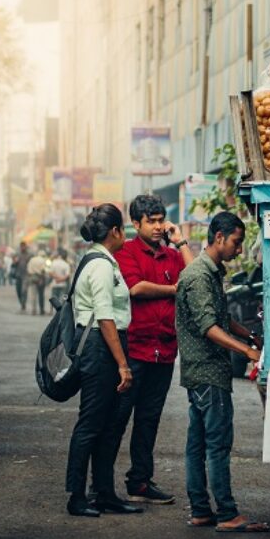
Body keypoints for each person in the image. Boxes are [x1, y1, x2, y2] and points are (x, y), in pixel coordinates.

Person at [175, 211, 268, 532]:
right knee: (216, 445)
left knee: (198, 444)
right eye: (236, 242)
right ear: (218, 238)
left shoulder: (210, 272)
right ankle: (227, 514)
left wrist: (249, 335)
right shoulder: (199, 276)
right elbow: (209, 327)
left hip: (202, 371)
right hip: (208, 372)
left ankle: (201, 510)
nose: (239, 250)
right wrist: (247, 351)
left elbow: (222, 318)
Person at [113, 194, 193, 505]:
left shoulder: (172, 255)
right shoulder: (126, 252)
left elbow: (195, 278)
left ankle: (140, 482)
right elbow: (136, 288)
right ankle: (100, 486)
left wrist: (181, 241)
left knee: (149, 420)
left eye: (161, 221)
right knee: (117, 419)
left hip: (164, 351)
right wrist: (174, 290)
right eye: (152, 222)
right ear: (136, 224)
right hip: (133, 350)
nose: (159, 227)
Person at [65, 203, 142, 519]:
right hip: (100, 347)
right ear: (115, 231)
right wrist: (123, 364)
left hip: (106, 345)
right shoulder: (99, 265)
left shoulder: (104, 261)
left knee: (109, 424)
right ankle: (76, 497)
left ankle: (104, 493)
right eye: (124, 229)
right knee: (91, 423)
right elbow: (105, 317)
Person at [26, 249, 47, 315]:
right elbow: (43, 270)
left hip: (32, 277)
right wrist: (42, 279)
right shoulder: (42, 260)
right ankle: (41, 310)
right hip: (40, 277)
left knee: (33, 295)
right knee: (41, 295)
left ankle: (33, 310)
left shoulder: (32, 260)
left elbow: (28, 270)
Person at [13, 242, 30, 312]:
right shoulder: (17, 254)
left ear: (26, 247)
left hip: (26, 275)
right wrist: (15, 261)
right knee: (18, 291)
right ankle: (21, 303)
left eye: (24, 246)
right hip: (18, 275)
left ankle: (23, 305)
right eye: (21, 246)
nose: (23, 248)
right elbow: (13, 264)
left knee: (24, 291)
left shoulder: (29, 255)